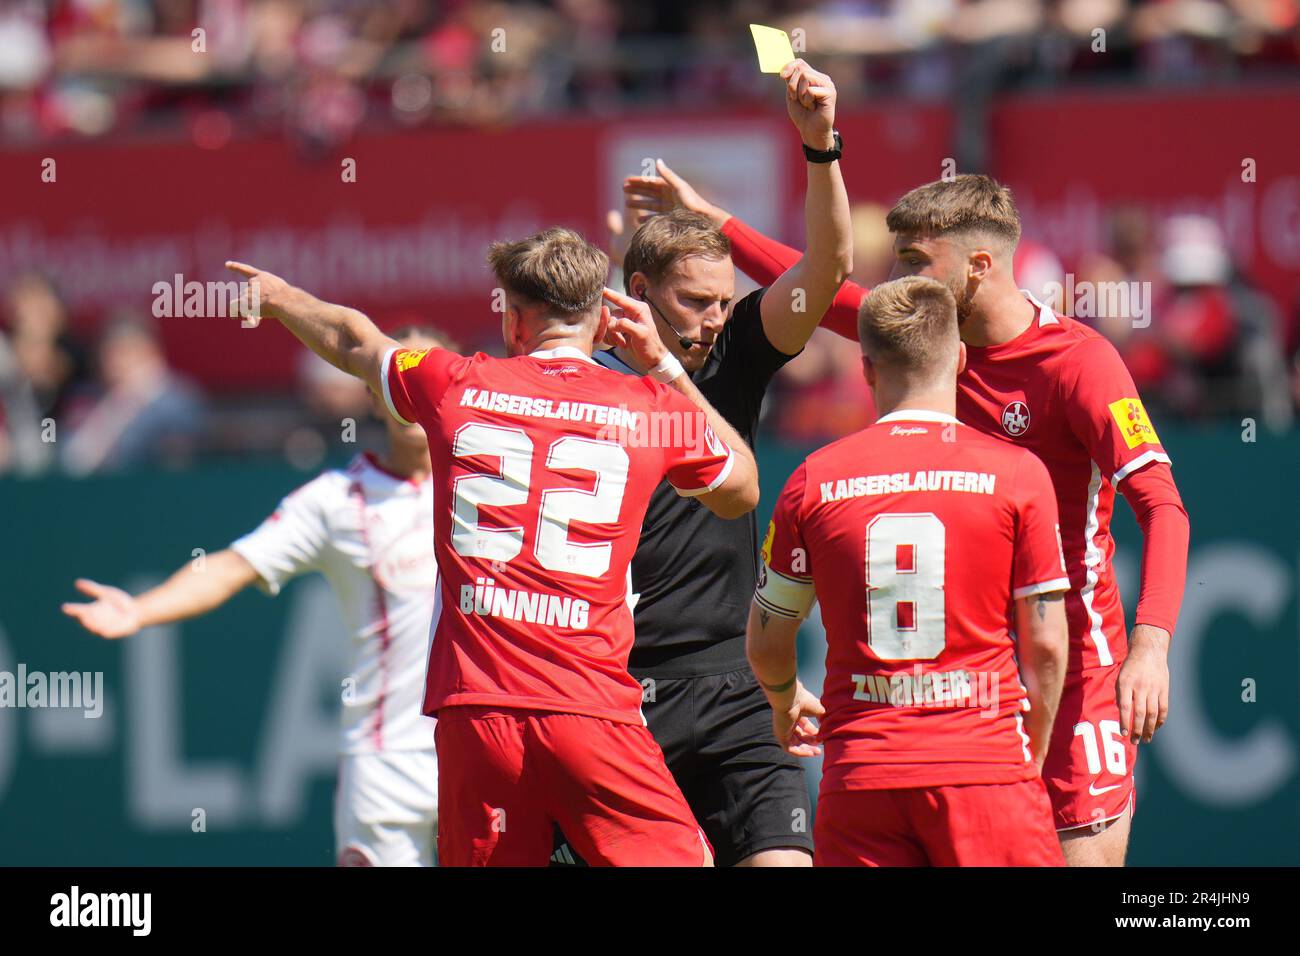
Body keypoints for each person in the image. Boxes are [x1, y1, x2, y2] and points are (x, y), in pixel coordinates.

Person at [652, 169, 1191, 866]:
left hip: (1075, 671)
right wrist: (720, 224)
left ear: (979, 267)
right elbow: (819, 290)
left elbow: (1163, 505)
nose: (894, 277)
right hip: (969, 688)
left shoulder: (1080, 365)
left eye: (914, 260)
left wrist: (1150, 648)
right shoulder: (927, 345)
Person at [221, 225, 760, 866]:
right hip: (592, 710)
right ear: (604, 318)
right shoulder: (649, 406)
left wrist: (281, 298)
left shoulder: (452, 382)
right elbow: (742, 487)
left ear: (513, 318)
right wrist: (666, 368)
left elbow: (353, 340)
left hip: (475, 717)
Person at [567, 57, 852, 867]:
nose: (712, 320)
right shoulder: (576, 385)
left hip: (737, 688)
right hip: (621, 695)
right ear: (640, 290)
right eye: (696, 301)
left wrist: (820, 146)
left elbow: (828, 271)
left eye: (724, 301)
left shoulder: (732, 355)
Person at [62, 326, 450, 866]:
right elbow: (230, 567)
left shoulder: (497, 484)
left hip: (478, 754)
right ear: (371, 395)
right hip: (384, 770)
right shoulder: (336, 501)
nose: (411, 396)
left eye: (425, 377)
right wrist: (141, 609)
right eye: (397, 379)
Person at [747, 275, 1069, 866]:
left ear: (866, 369)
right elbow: (1046, 646)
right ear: (961, 358)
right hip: (985, 769)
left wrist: (784, 699)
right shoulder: (1017, 473)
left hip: (862, 780)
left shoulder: (813, 480)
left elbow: (767, 641)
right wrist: (1032, 755)